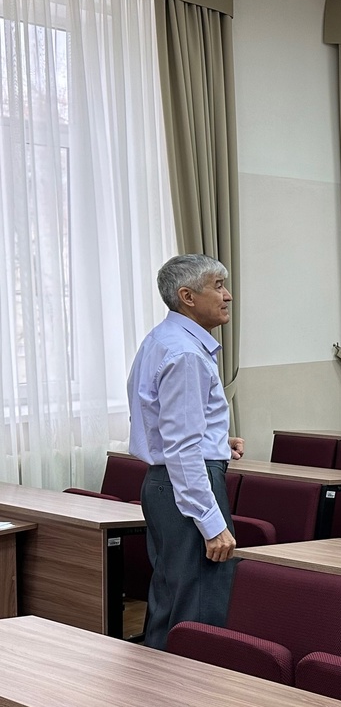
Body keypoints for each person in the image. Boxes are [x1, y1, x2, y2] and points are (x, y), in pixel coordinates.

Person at [127, 254, 244, 650]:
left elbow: (162, 424)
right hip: (187, 488)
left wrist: (217, 440)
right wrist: (211, 524)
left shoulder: (161, 340)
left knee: (172, 602)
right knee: (199, 610)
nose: (228, 296)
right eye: (218, 286)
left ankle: (156, 686)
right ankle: (186, 690)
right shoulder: (186, 354)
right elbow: (181, 447)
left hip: (165, 484)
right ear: (187, 296)